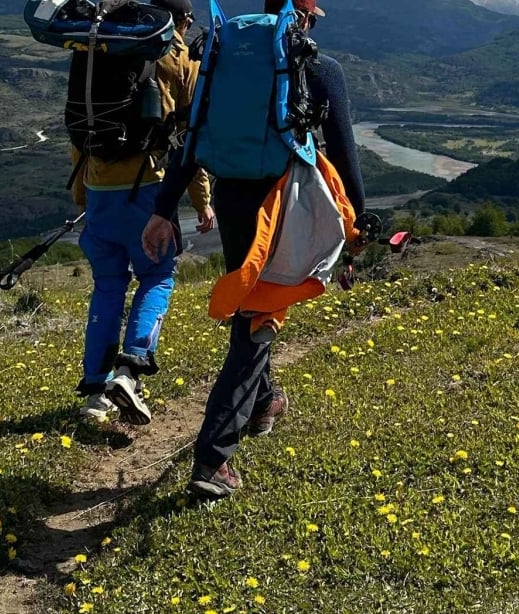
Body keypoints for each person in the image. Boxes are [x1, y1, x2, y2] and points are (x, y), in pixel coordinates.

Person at [142, 0, 367, 498]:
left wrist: (163, 208)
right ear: (302, 18)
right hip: (281, 202)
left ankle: (263, 403)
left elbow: (191, 134)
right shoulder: (318, 68)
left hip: (232, 196)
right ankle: (212, 458)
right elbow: (344, 147)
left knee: (252, 301)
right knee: (258, 321)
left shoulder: (221, 60)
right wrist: (360, 218)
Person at [73, 0, 216, 425]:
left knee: (108, 284)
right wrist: (202, 200)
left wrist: (83, 194)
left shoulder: (98, 45)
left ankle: (95, 392)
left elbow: (80, 129)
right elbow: (191, 140)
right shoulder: (179, 58)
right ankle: (130, 369)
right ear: (182, 20)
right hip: (148, 191)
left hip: (98, 186)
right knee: (158, 274)